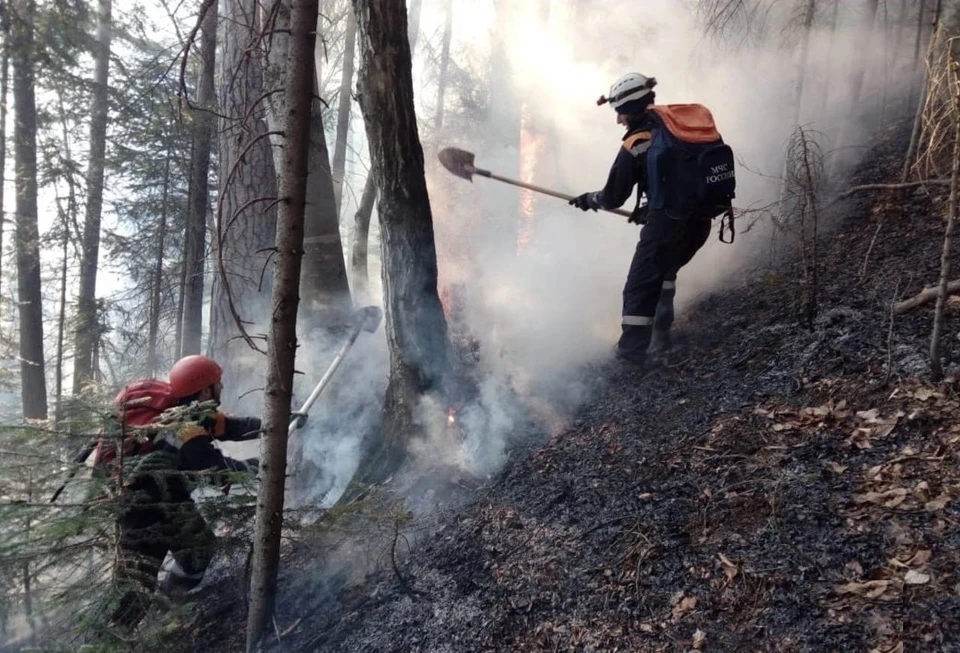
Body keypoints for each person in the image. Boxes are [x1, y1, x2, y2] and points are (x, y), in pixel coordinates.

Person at [569, 72, 734, 369]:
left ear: (630, 108)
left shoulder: (638, 141)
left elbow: (613, 196)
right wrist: (649, 209)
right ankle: (662, 336)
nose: (618, 119)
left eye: (619, 112)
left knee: (639, 286)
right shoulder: (677, 131)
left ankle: (630, 357)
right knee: (666, 271)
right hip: (700, 223)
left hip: (668, 225)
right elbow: (675, 181)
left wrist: (589, 199)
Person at [108, 355, 261, 630]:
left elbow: (231, 427)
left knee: (199, 552)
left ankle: (164, 611)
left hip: (172, 505)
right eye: (218, 383)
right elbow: (215, 471)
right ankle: (116, 638)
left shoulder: (188, 411)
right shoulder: (184, 428)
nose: (222, 387)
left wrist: (272, 423)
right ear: (203, 391)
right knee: (134, 589)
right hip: (144, 515)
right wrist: (260, 466)